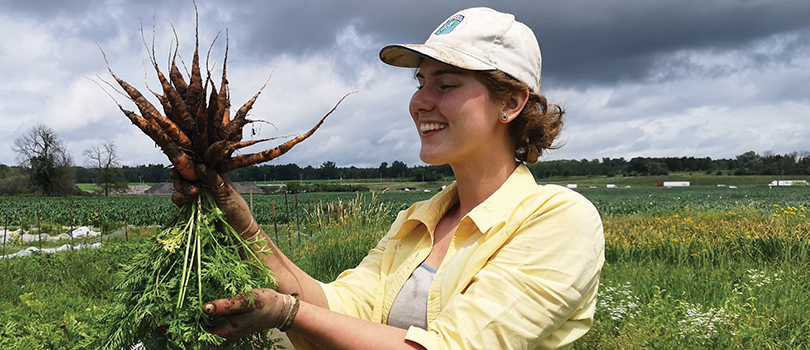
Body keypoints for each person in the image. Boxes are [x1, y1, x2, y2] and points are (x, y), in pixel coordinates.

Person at [172, 7, 604, 350]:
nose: (419, 101)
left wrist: (288, 315)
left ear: (510, 102)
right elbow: (341, 307)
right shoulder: (417, 221)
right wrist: (243, 226)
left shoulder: (561, 220)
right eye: (421, 83)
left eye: (446, 85)